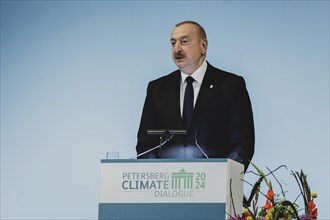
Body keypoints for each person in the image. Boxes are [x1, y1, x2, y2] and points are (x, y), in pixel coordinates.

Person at [136, 21, 254, 171]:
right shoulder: (157, 89)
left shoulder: (230, 85)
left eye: (184, 42)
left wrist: (224, 176)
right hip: (167, 187)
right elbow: (145, 144)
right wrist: (156, 175)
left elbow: (242, 144)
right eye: (173, 43)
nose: (177, 49)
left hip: (215, 185)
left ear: (203, 46)